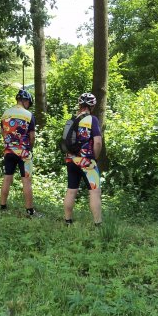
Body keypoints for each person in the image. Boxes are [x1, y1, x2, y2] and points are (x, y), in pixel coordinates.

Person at [63, 92, 103, 226]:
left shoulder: (72, 119)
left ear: (80, 105)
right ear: (93, 106)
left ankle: (67, 221)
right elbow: (98, 142)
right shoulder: (92, 119)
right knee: (95, 192)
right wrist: (94, 157)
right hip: (87, 162)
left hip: (71, 160)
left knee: (71, 190)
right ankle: (98, 224)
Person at [0, 89, 38, 216]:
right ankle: (30, 211)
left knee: (7, 178)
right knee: (26, 180)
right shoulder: (29, 115)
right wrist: (29, 148)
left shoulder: (5, 113)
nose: (29, 105)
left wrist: (9, 144)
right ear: (25, 101)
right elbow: (32, 137)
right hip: (24, 153)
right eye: (29, 103)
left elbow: (3, 132)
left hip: (8, 151)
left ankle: (3, 206)